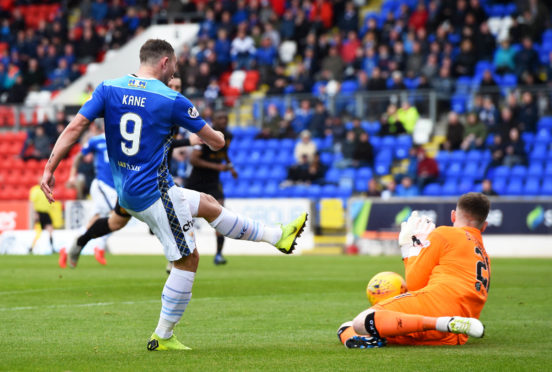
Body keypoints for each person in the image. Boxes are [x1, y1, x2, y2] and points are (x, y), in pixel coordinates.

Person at [41, 39, 308, 351]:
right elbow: (216, 143)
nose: (175, 73)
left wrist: (49, 167)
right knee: (188, 259)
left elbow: (75, 127)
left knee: (208, 205)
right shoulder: (170, 99)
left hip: (127, 191)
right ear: (165, 62)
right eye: (175, 67)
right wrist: (217, 135)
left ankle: (277, 236)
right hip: (154, 192)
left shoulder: (107, 88)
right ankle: (163, 336)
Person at [337, 193, 490, 348]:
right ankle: (448, 324)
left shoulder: (444, 233)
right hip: (454, 337)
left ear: (453, 216)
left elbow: (415, 285)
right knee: (353, 328)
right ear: (484, 226)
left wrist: (407, 248)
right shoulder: (484, 257)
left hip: (435, 307)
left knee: (358, 323)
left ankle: (445, 322)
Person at [61, 120, 116, 267]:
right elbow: (79, 156)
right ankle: (100, 246)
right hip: (103, 185)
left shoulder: (120, 139)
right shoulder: (96, 141)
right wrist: (72, 175)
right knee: (117, 215)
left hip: (115, 187)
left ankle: (67, 248)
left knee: (96, 220)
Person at [186, 110, 237, 265]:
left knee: (221, 213)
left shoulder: (228, 136)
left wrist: (230, 166)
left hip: (213, 181)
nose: (223, 120)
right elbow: (193, 160)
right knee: (183, 215)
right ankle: (181, 251)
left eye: (225, 117)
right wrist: (218, 167)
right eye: (220, 117)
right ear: (213, 121)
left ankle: (219, 254)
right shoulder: (204, 135)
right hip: (197, 180)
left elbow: (223, 152)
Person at [29, 179, 55, 254]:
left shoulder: (47, 190)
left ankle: (52, 247)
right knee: (38, 232)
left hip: (46, 213)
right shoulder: (35, 190)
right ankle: (31, 247)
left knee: (50, 229)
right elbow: (32, 202)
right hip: (39, 213)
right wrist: (35, 213)